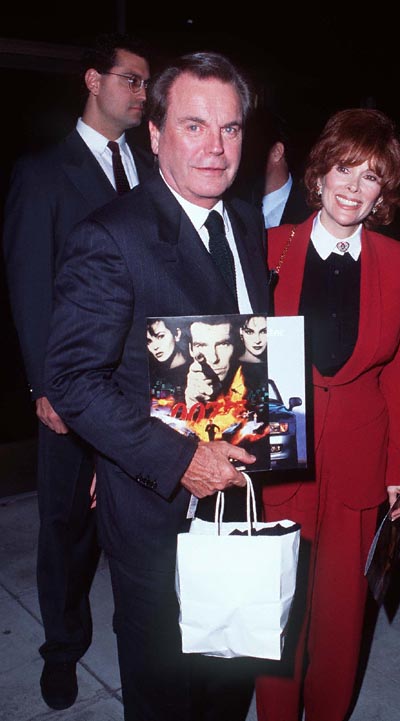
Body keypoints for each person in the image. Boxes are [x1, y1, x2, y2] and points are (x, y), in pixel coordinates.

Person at [43, 51, 269, 721]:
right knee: (167, 689)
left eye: (230, 129)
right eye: (194, 125)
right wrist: (182, 460)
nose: (215, 146)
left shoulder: (246, 221)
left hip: (238, 497)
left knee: (230, 677)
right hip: (156, 506)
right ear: (155, 134)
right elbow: (72, 380)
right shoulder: (111, 237)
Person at [255, 108, 400, 721]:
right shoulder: (268, 248)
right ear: (321, 170)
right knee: (276, 605)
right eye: (345, 168)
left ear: (385, 191)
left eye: (371, 176)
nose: (353, 186)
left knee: (341, 611)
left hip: (359, 454)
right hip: (279, 452)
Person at [2, 32, 153, 711]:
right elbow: (29, 283)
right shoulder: (43, 172)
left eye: (147, 83)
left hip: (138, 388)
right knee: (64, 524)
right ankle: (61, 650)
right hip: (70, 383)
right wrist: (44, 385)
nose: (141, 93)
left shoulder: (147, 171)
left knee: (131, 520)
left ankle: (143, 638)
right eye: (132, 80)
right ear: (94, 80)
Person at [231, 107, 310, 229]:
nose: (240, 154)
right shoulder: (231, 206)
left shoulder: (311, 210)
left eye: (250, 147)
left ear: (277, 152)